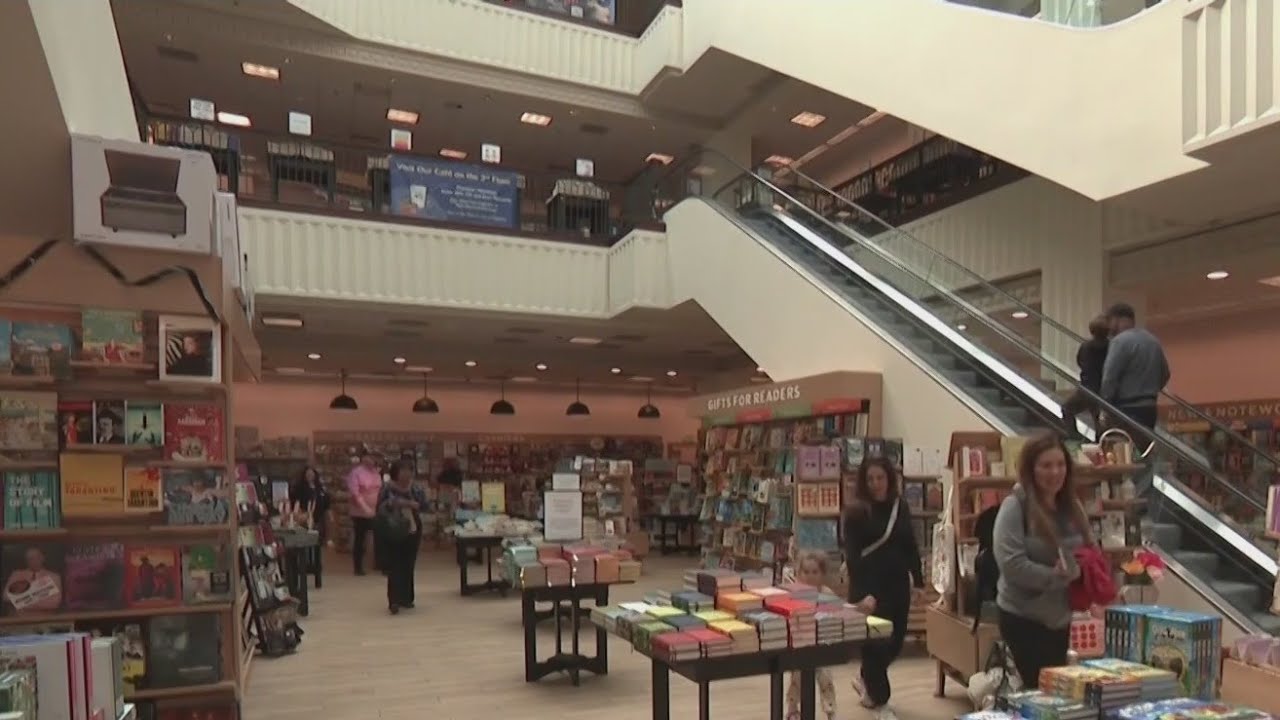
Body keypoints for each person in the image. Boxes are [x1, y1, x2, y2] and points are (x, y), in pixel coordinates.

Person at [993, 432, 1094, 688]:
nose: (1055, 472)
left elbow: (1089, 549)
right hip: (1023, 616)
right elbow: (1012, 565)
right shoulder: (1014, 507)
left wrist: (1083, 569)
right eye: (1046, 465)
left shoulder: (1072, 507)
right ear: (1031, 469)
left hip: (1060, 616)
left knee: (1053, 691)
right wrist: (1056, 577)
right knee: (1036, 690)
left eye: (1060, 464)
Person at [845, 457, 925, 720]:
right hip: (869, 588)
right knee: (876, 646)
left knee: (895, 641)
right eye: (870, 479)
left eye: (880, 478)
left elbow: (910, 544)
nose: (876, 484)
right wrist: (863, 593)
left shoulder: (899, 506)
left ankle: (867, 678)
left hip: (897, 585)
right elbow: (853, 556)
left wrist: (919, 580)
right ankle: (882, 702)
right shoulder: (857, 511)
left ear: (889, 478)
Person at [1100, 302, 1170, 451]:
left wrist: (1104, 405)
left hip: (1125, 409)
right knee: (1144, 453)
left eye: (1110, 321)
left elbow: (1110, 377)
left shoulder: (1119, 341)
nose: (1109, 326)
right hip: (1149, 408)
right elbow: (1165, 373)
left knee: (1122, 456)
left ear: (1117, 320)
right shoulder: (1152, 341)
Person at [783, 551, 838, 720]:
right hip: (801, 644)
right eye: (805, 572)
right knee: (797, 678)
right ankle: (792, 709)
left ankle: (830, 710)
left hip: (822, 644)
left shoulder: (827, 594)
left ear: (822, 574)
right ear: (798, 574)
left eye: (815, 572)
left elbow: (835, 615)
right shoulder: (794, 594)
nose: (810, 577)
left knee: (826, 678)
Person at [377, 461, 427, 614]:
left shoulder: (416, 488)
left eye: (409, 470)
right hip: (393, 528)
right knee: (394, 564)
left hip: (412, 528)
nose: (406, 474)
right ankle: (394, 600)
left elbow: (425, 505)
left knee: (408, 563)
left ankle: (407, 598)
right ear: (395, 472)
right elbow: (379, 507)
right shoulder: (387, 487)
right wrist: (396, 503)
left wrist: (415, 504)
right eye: (403, 470)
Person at [1060, 315, 1110, 437]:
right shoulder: (1111, 346)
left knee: (1067, 408)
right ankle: (1101, 443)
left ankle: (1074, 436)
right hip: (1104, 388)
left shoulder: (1086, 346)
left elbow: (1080, 361)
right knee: (1098, 419)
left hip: (1087, 387)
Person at [291, 466, 332, 586]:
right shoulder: (299, 489)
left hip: (318, 519)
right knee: (303, 545)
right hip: (303, 519)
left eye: (312, 474)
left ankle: (317, 571)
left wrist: (329, 515)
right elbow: (296, 503)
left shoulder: (320, 489)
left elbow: (326, 503)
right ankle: (303, 568)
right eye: (308, 474)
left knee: (316, 546)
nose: (310, 476)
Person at [346, 449, 384, 576]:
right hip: (359, 512)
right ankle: (358, 567)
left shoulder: (376, 473)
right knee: (360, 539)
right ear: (364, 458)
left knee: (380, 536)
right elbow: (355, 493)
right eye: (369, 457)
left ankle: (378, 563)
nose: (372, 460)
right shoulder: (355, 473)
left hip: (375, 510)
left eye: (374, 458)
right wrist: (365, 508)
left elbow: (379, 491)